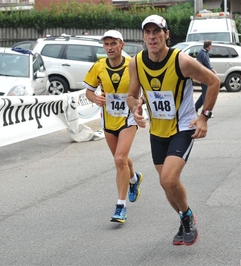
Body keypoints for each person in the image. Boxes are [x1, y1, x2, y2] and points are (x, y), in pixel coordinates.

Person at [127, 15, 220, 246]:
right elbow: (131, 95)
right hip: (157, 131)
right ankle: (184, 218)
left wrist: (204, 117)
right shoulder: (136, 62)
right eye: (147, 32)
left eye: (157, 31)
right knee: (165, 184)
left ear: (166, 34)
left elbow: (214, 81)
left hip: (182, 128)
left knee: (169, 180)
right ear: (143, 36)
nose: (152, 36)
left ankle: (187, 217)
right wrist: (136, 108)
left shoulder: (182, 61)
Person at [82, 30, 143, 223]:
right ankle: (134, 179)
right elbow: (88, 91)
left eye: (113, 44)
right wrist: (96, 98)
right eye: (106, 44)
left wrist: (139, 106)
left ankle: (120, 206)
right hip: (108, 120)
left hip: (128, 119)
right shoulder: (99, 66)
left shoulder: (132, 65)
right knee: (121, 159)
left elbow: (145, 88)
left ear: (121, 45)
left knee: (119, 159)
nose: (109, 48)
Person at [195, 40, 216, 113]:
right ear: (209, 46)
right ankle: (205, 111)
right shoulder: (202, 54)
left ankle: (195, 108)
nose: (211, 46)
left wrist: (212, 69)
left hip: (206, 75)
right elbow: (199, 65)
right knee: (206, 94)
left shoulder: (205, 53)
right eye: (211, 45)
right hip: (203, 76)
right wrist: (198, 77)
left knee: (205, 93)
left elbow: (207, 64)